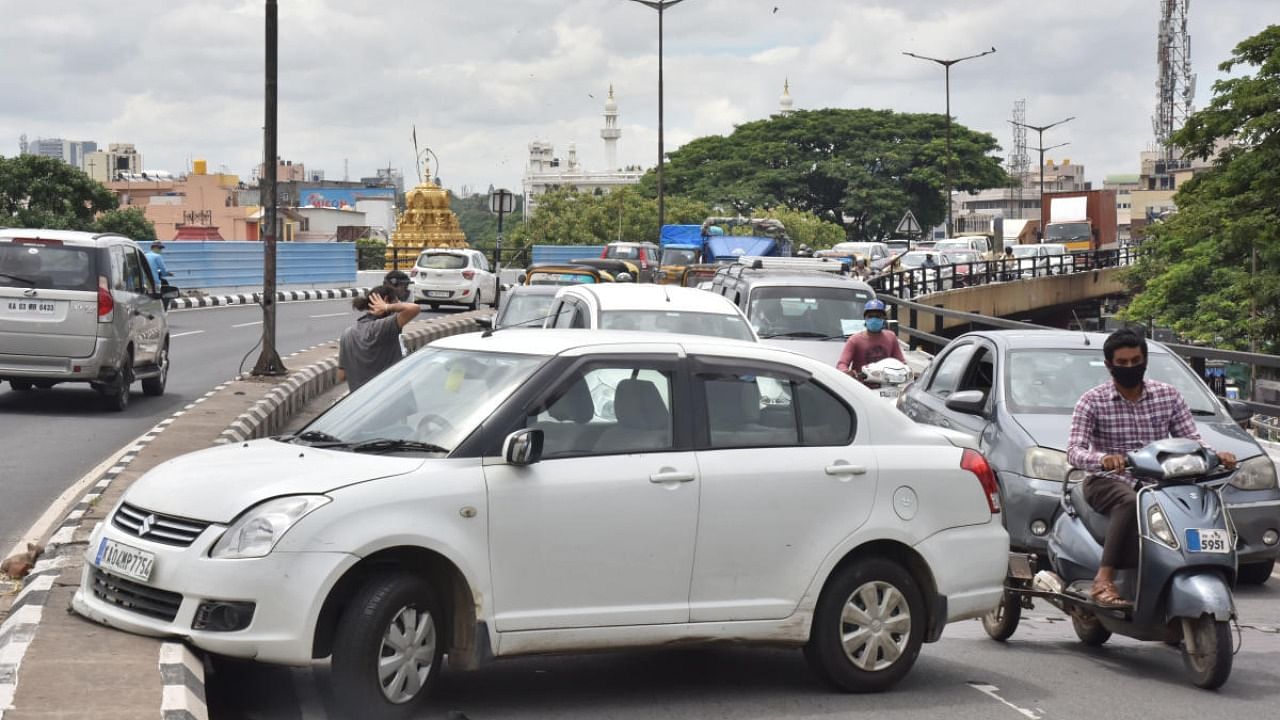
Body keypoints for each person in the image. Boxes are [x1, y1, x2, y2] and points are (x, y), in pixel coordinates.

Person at [1067, 328, 1236, 608]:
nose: (1130, 367)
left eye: (1136, 361)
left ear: (1144, 361)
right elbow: (1074, 451)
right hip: (1108, 481)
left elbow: (1191, 439)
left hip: (1162, 482)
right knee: (1129, 501)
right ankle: (1103, 578)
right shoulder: (1092, 401)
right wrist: (1103, 459)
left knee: (1197, 503)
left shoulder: (1168, 395)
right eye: (1122, 363)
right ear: (1109, 365)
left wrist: (1217, 456)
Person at [337, 285, 421, 391]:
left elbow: (341, 376)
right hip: (389, 399)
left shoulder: (347, 334)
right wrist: (387, 307)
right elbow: (414, 308)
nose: (398, 306)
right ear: (385, 300)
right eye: (396, 302)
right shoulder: (385, 326)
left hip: (359, 403)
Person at [836, 299, 905, 379]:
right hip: (862, 385)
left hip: (887, 383)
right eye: (870, 316)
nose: (874, 319)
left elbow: (901, 362)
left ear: (883, 318)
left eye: (877, 316)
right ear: (865, 319)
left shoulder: (891, 337)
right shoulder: (854, 340)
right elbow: (842, 363)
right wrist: (846, 371)